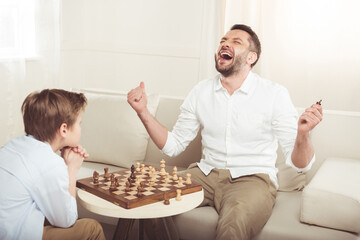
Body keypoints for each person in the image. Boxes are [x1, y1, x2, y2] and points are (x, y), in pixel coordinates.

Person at [127, 24, 322, 240]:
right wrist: (143, 112)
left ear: (251, 58)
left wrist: (302, 134)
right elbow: (173, 145)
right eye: (222, 40)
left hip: (253, 180)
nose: (225, 44)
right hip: (206, 174)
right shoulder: (201, 91)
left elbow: (300, 165)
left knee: (232, 226)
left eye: (236, 41)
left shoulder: (275, 94)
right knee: (148, 198)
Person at [0, 89, 106, 240]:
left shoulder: (12, 146)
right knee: (92, 229)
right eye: (79, 123)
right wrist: (71, 170)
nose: (80, 128)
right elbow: (67, 221)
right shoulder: (50, 163)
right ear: (64, 129)